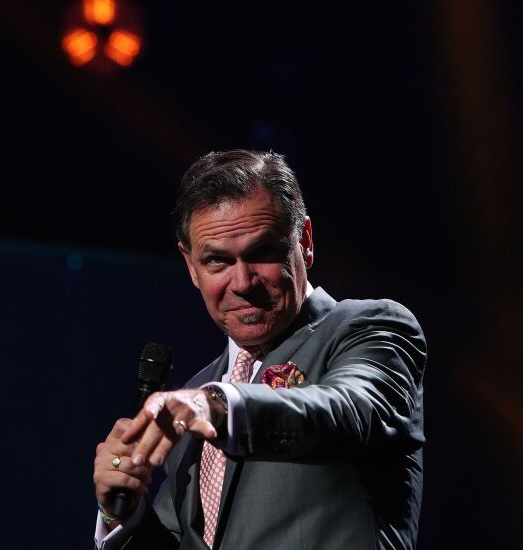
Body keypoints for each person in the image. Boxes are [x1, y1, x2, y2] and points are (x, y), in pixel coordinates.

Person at [93, 150, 426, 549]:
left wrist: (221, 407)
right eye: (217, 261)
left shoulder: (369, 328)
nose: (243, 283)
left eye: (262, 252)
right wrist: (123, 512)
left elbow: (348, 411)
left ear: (304, 241)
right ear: (191, 266)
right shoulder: (196, 395)